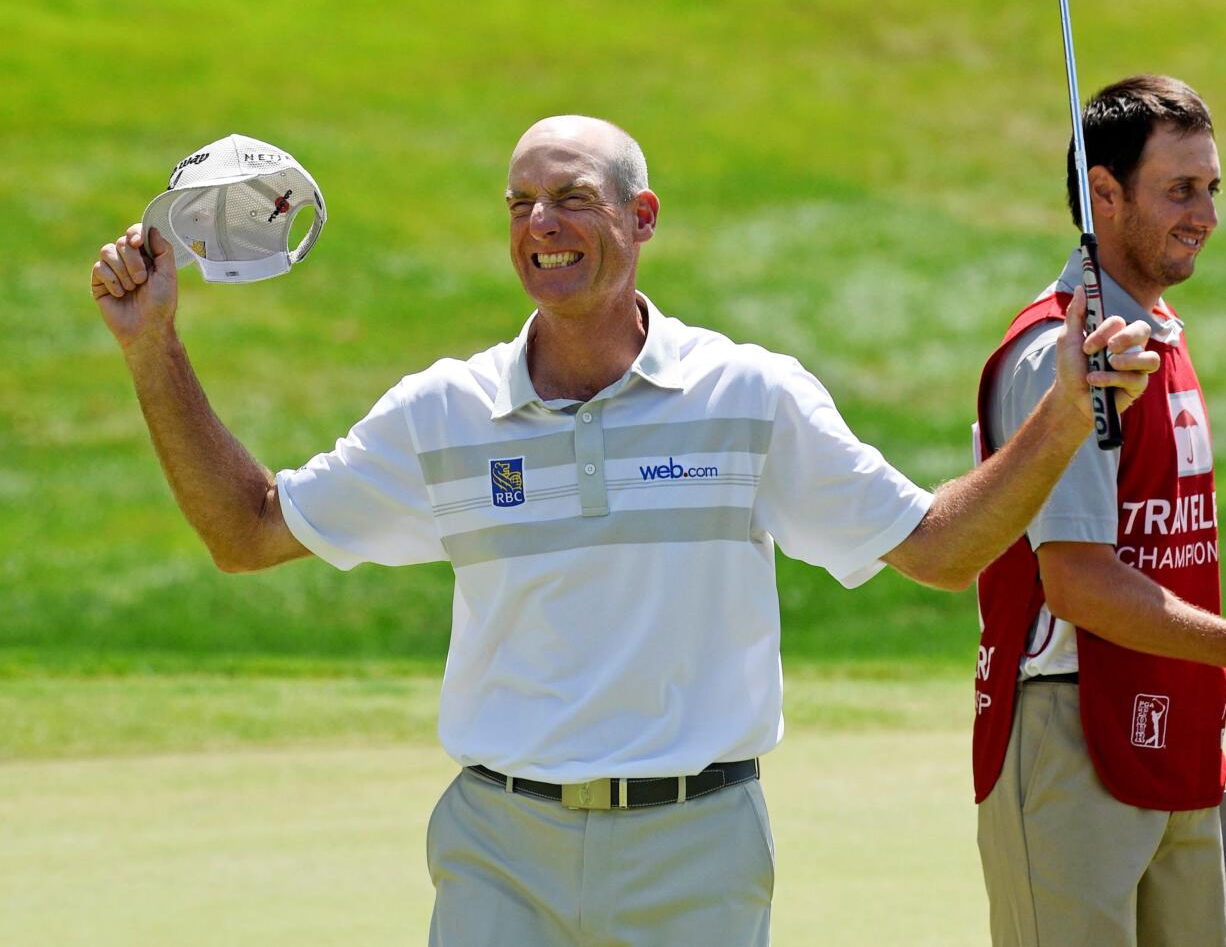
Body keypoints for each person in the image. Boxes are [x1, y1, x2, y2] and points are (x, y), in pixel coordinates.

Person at [92, 115, 1157, 946]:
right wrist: (153, 350)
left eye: (570, 199)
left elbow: (936, 548)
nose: (539, 225)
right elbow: (249, 530)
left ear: (641, 217)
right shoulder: (443, 411)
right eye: (518, 203)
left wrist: (1063, 413)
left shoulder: (746, 395)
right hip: (500, 844)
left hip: (693, 846)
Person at [974, 76, 1226, 947]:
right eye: (1180, 190)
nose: (1205, 214)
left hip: (1182, 726)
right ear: (1102, 195)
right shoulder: (1060, 355)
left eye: (1211, 189)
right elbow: (1076, 583)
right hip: (1069, 734)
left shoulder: (1161, 336)